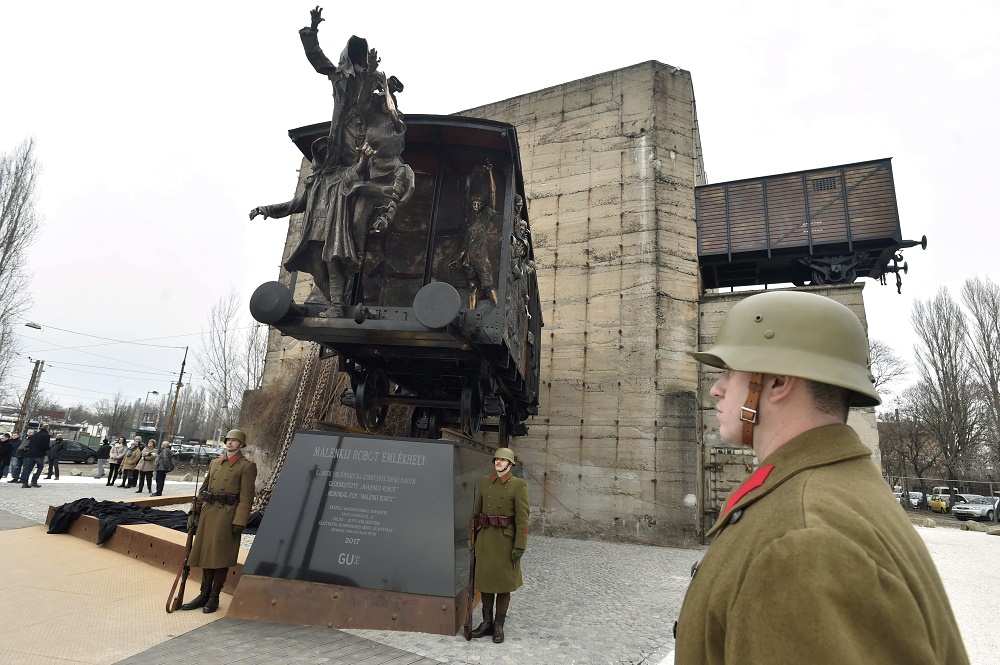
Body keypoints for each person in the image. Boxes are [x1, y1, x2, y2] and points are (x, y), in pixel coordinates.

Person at [675, 290, 969, 664]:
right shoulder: (836, 488)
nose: (717, 388)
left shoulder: (805, 543)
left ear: (778, 381)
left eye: (731, 371)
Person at [180, 429, 256, 614]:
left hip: (227, 516)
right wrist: (194, 511)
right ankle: (203, 594)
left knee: (220, 557)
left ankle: (214, 597)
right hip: (208, 513)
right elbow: (204, 490)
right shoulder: (215, 462)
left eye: (234, 440)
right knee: (206, 554)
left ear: (241, 444)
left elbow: (247, 497)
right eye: (228, 440)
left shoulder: (246, 466)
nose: (230, 443)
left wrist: (240, 520)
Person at [466, 447, 529, 644]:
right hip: (485, 539)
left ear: (510, 465)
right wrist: (471, 538)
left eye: (503, 460)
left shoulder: (518, 485)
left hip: (505, 541)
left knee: (503, 585)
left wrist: (520, 546)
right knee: (485, 582)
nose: (499, 463)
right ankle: (486, 623)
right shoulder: (486, 482)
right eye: (497, 460)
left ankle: (498, 625)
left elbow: (523, 519)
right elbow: (475, 514)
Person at [20, 423, 50, 488]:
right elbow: (45, 446)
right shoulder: (46, 435)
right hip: (39, 454)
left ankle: (25, 482)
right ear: (47, 428)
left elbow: (30, 444)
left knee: (28, 468)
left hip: (30, 454)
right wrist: (49, 448)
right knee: (39, 467)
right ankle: (34, 481)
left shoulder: (35, 435)